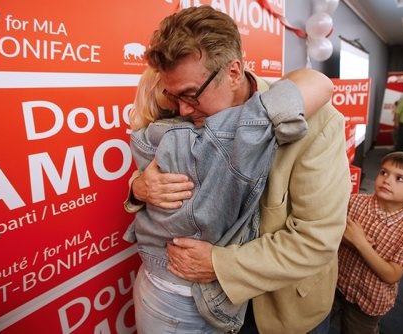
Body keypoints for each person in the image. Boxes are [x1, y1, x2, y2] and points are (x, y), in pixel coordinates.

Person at [125, 5, 351, 334]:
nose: (184, 110)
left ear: (233, 72)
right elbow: (162, 161)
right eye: (175, 97)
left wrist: (219, 264)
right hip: (212, 306)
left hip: (278, 308)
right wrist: (139, 188)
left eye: (191, 95)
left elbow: (316, 239)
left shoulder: (319, 121)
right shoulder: (185, 107)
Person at [333, 151, 403, 333]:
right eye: (384, 173)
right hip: (335, 283)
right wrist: (348, 240)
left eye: (400, 179)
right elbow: (331, 232)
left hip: (369, 300)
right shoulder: (353, 201)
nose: (387, 180)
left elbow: (391, 275)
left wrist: (361, 244)